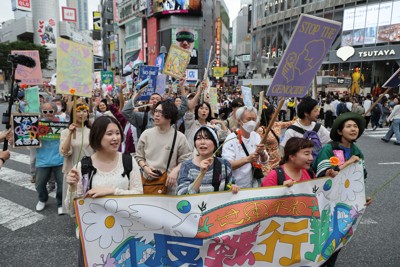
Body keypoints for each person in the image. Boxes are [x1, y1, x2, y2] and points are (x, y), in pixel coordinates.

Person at [313, 112, 372, 266]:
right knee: (322, 238)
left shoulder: (357, 151)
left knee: (338, 238)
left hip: (345, 205)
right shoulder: (328, 149)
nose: (354, 129)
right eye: (348, 126)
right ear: (339, 131)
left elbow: (360, 178)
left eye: (355, 126)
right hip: (326, 202)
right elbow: (322, 175)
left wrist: (362, 196)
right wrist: (348, 163)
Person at [65, 116, 143, 210]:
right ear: (97, 136)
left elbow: (139, 195)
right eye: (109, 134)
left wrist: (112, 191)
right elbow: (71, 209)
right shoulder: (83, 166)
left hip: (125, 222)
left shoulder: (129, 161)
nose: (115, 138)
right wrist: (72, 187)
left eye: (117, 133)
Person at [135, 100, 192, 195]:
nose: (156, 115)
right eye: (156, 111)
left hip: (169, 186)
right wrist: (145, 168)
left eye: (160, 112)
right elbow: (139, 157)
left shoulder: (179, 137)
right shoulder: (146, 134)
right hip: (148, 184)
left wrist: (175, 171)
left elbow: (186, 159)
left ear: (169, 116)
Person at [176, 126, 239, 195]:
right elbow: (182, 196)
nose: (202, 142)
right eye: (198, 138)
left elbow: (228, 186)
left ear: (215, 143)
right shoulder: (187, 166)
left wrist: (232, 188)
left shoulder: (224, 164)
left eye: (207, 138)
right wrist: (201, 174)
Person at [222, 106, 269, 188]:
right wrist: (247, 159)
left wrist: (262, 153)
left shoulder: (256, 136)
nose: (252, 122)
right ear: (239, 121)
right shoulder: (231, 139)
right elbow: (227, 165)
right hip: (236, 186)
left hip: (253, 184)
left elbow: (265, 161)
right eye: (248, 119)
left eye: (254, 119)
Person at [59, 103, 94, 214]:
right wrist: (70, 133)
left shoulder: (92, 131)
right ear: (73, 114)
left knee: (89, 200)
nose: (82, 114)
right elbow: (65, 152)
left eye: (84, 110)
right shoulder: (65, 132)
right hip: (73, 171)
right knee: (74, 201)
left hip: (89, 170)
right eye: (78, 111)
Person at [35, 102, 65, 214]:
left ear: (55, 111)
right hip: (42, 159)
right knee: (39, 184)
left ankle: (61, 203)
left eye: (51, 111)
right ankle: (42, 199)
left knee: (62, 184)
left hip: (60, 159)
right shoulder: (36, 123)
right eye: (45, 111)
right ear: (41, 113)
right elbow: (27, 139)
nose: (48, 114)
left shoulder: (62, 122)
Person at [258, 105, 295, 175]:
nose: (278, 114)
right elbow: (258, 147)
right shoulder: (261, 130)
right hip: (266, 163)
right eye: (275, 112)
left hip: (277, 161)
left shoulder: (277, 125)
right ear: (270, 115)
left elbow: (290, 123)